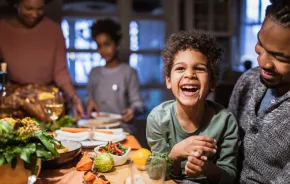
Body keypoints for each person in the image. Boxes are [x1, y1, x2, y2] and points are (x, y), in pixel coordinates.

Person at [146, 30, 238, 184]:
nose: (190, 74)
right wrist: (175, 154)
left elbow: (229, 177)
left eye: (200, 68)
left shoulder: (226, 121)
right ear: (168, 80)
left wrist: (206, 168)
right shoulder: (157, 118)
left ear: (213, 82)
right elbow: (155, 173)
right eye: (180, 68)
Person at [228, 0, 290, 183]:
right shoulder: (247, 81)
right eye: (260, 44)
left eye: (280, 57)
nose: (263, 62)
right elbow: (225, 142)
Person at [0, 0, 85, 119]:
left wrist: (74, 98)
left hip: (47, 102)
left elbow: (60, 72)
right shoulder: (2, 29)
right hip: (15, 104)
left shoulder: (54, 30)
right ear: (16, 4)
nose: (34, 14)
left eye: (40, 9)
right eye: (28, 9)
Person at [86, 19, 144, 134]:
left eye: (107, 44)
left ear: (117, 44)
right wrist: (89, 101)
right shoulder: (94, 72)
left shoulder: (128, 72)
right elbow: (88, 98)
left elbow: (138, 104)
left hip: (122, 130)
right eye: (99, 46)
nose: (103, 50)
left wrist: (133, 110)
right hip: (98, 131)